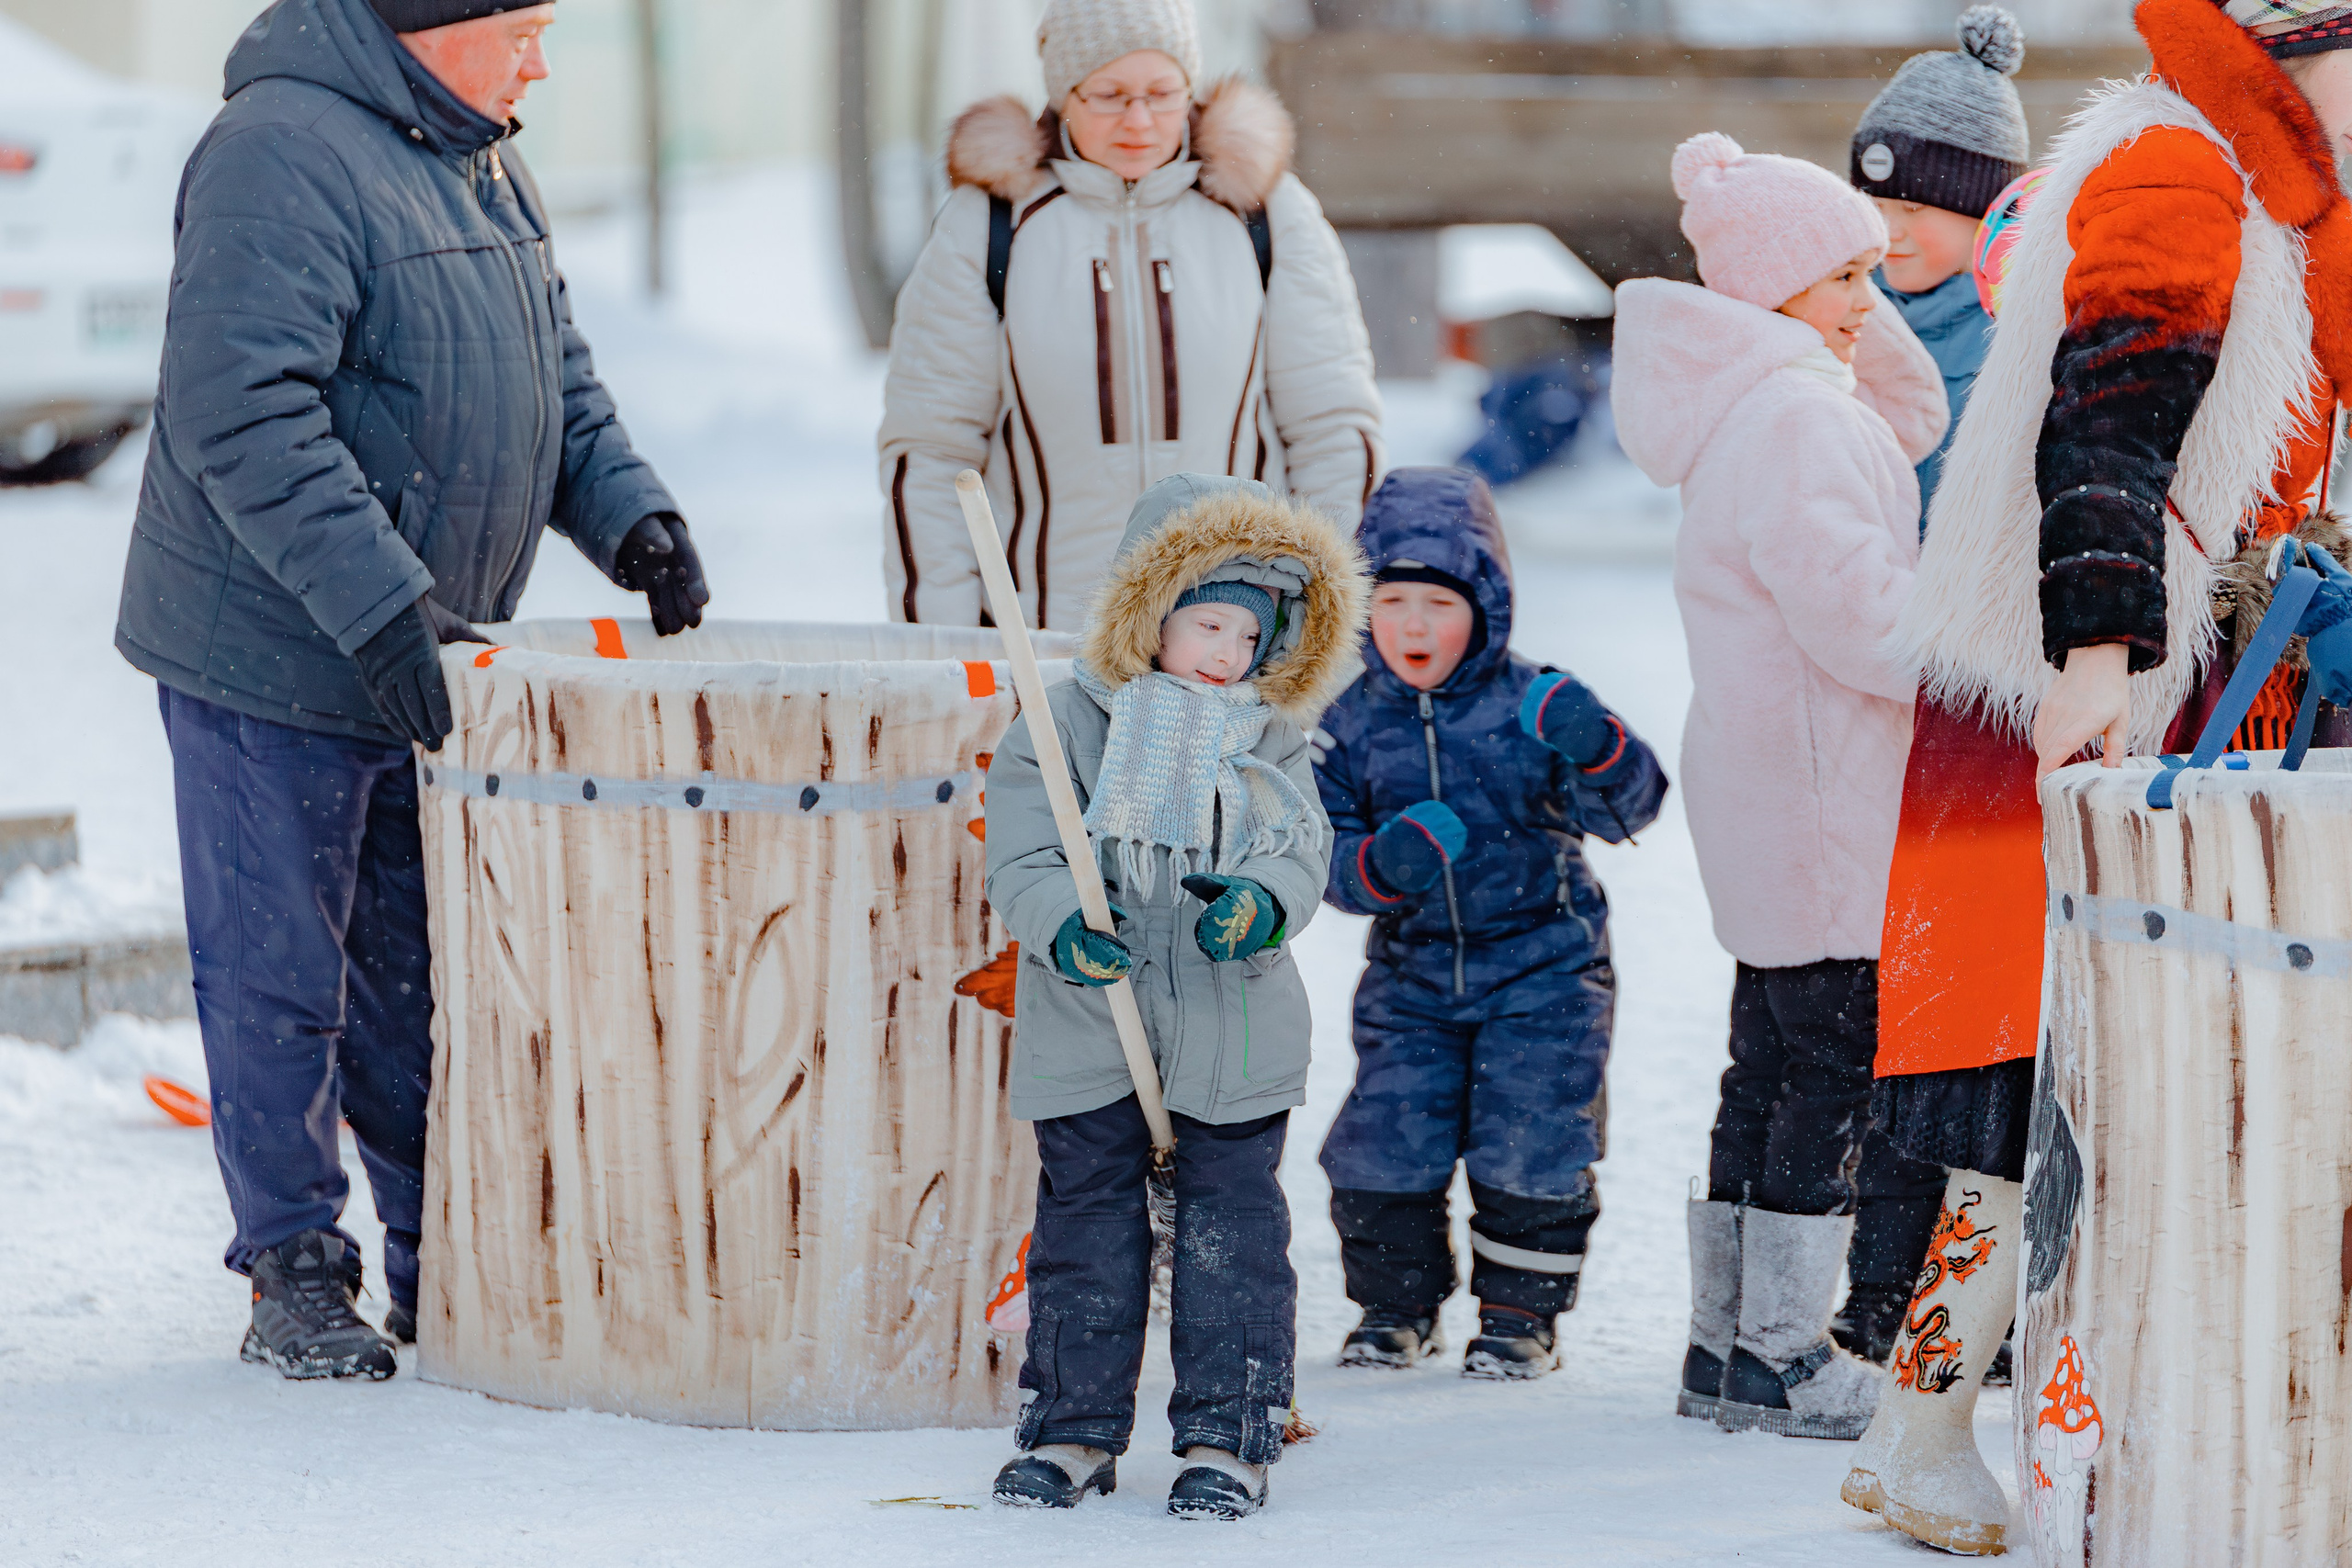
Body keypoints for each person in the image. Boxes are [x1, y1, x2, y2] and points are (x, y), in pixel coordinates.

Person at [114, 0, 707, 1382]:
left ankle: (448, 1250)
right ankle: (296, 1268)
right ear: (441, 24)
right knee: (281, 978)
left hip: (423, 656)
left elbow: (552, 373)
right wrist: (385, 604)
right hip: (273, 651)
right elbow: (240, 406)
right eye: (528, 27)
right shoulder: (279, 150)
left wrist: (632, 519)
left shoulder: (480, 152)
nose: (543, 60)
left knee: (420, 981)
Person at [1850, 0, 2352, 1551]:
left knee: (2130, 1074)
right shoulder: (2180, 169)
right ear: (2297, 49)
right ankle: (1926, 1428)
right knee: (2059, 1085)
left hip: (2172, 670)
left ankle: (2022, 1421)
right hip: (2085, 687)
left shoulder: (2261, 180)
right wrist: (2098, 662)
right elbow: (2111, 417)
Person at [1612, 132, 1947, 1440]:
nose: (1875, 300)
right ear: (1770, 294)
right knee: (1834, 1062)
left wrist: (1842, 316)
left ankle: (1725, 1344)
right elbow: (1861, 617)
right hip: (1826, 785)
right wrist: (1980, 642)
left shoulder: (1771, 400)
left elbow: (1903, 416)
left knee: (1768, 1057)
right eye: (1847, 278)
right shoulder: (1801, 418)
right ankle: (1790, 1349)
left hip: (1771, 775)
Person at [981, 472, 1367, 1519]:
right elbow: (1021, 852)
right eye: (1206, 625)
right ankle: (1070, 1430)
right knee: (1085, 1235)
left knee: (1230, 1237)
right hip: (1089, 1022)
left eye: (1249, 638)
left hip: (1228, 1027)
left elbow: (1299, 848)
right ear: (1148, 615)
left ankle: (1226, 1437)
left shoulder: (1265, 736)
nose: (1227, 656)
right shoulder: (1060, 723)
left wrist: (1259, 903)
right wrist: (1065, 923)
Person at [1309, 467, 1665, 1381]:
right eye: (1390, 601)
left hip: (1544, 969)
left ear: (1488, 607)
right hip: (1412, 978)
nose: (1415, 627)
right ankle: (1395, 1311)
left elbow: (1631, 808)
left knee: (1533, 1135)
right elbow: (1325, 859)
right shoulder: (1346, 726)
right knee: (1384, 1141)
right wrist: (1380, 866)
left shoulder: (1530, 701)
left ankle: (1519, 1319)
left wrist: (1598, 745)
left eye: (1438, 602)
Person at [876, 0, 1383, 630]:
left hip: (1232, 651)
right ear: (1064, 93)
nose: (1139, 120)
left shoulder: (1267, 215)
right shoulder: (988, 227)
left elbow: (1333, 433)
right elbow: (931, 455)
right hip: (1044, 654)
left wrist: (1312, 636)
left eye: (1163, 93)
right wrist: (955, 660)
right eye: (1109, 95)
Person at [1831, 4, 2031, 1370]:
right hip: (1861, 695)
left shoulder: (2015, 335)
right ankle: (1868, 1290)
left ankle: (1936, 1304)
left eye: (1927, 207)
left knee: (1955, 1005)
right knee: (1853, 1000)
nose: (1894, 231)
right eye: (1876, 196)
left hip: (1969, 699)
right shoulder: (1836, 322)